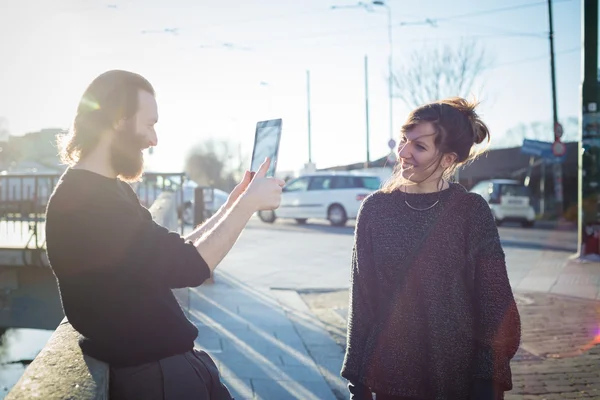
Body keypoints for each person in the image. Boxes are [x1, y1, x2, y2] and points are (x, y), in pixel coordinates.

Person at [45, 69, 284, 400]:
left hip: (174, 368)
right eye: (149, 124)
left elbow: (175, 253)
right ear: (117, 121)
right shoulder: (86, 204)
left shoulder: (110, 192)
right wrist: (247, 207)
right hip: (155, 379)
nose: (154, 139)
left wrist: (233, 204)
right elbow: (188, 268)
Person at [341, 97, 521, 400]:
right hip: (390, 380)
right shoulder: (375, 210)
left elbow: (495, 302)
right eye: (404, 140)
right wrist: (357, 379)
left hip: (458, 380)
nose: (403, 153)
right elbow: (363, 299)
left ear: (448, 159)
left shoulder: (470, 211)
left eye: (419, 147)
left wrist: (487, 380)